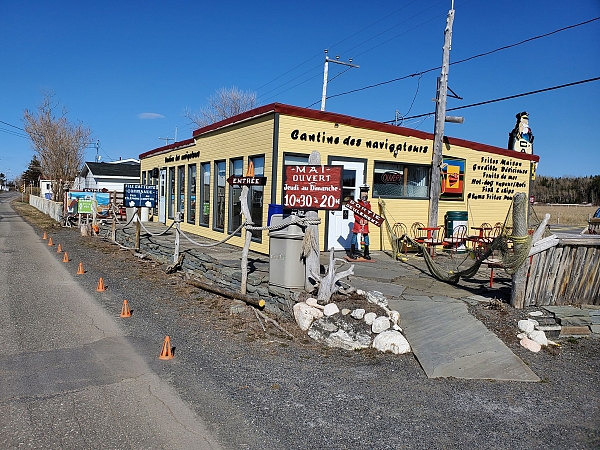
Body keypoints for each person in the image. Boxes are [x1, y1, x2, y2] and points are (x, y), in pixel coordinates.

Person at [349, 184, 371, 260]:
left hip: (365, 224)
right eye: (363, 192)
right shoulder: (357, 204)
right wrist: (359, 220)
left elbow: (369, 214)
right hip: (358, 224)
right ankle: (352, 253)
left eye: (366, 192)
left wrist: (367, 220)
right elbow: (355, 214)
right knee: (354, 236)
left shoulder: (368, 204)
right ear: (360, 193)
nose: (365, 193)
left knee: (366, 237)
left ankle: (366, 253)